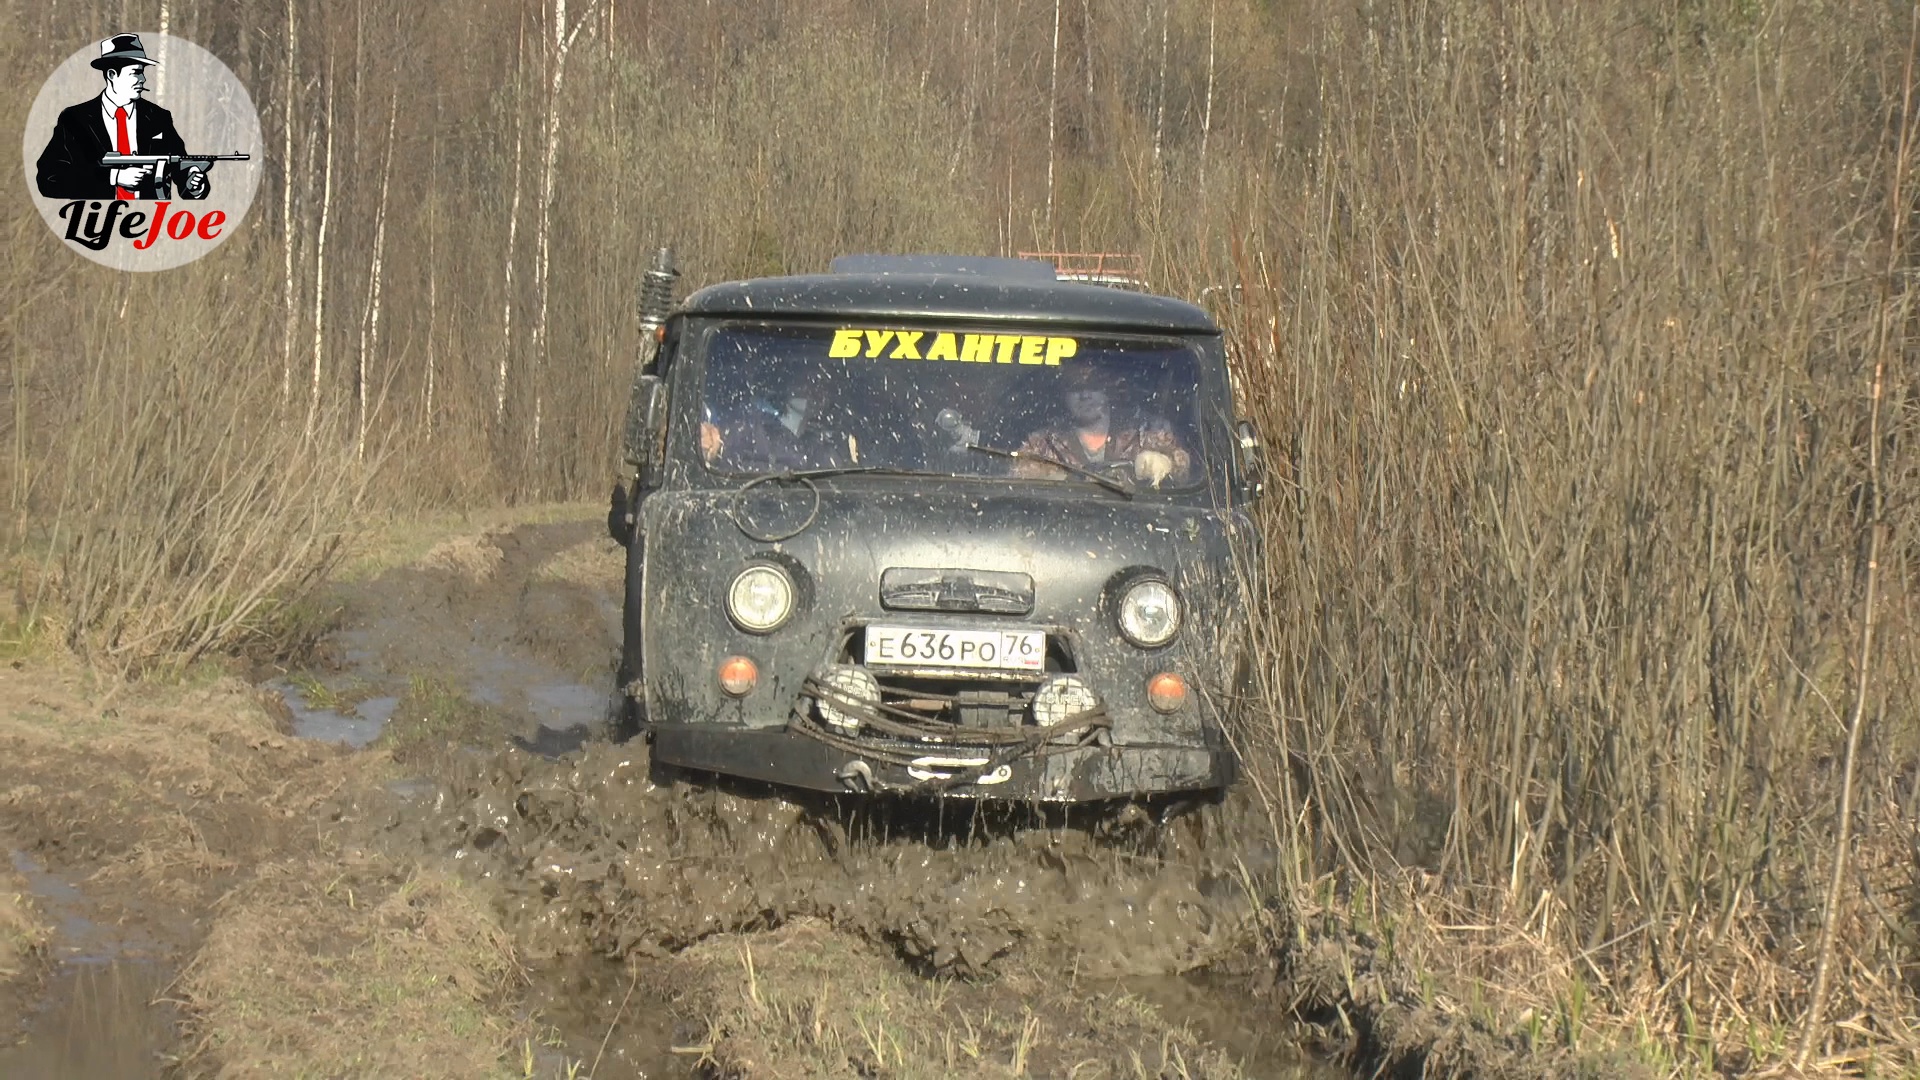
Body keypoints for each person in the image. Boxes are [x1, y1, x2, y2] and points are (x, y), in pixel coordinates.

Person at [35, 34, 211, 201]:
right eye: (135, 72)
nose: (142, 79)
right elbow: (50, 179)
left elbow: (179, 166)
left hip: (150, 224)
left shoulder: (158, 118)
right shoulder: (75, 120)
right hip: (93, 223)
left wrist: (194, 185)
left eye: (142, 72)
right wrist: (114, 177)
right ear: (112, 75)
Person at [1013, 365, 1194, 488]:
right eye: (1075, 388)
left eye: (1093, 386)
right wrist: (1054, 478)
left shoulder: (1145, 430)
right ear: (1063, 395)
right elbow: (1016, 477)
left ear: (1107, 391)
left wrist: (1166, 463)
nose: (1085, 395)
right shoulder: (1043, 442)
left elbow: (1187, 471)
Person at [701, 377, 851, 472]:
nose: (818, 392)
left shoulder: (834, 438)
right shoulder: (750, 424)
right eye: (811, 382)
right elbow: (720, 442)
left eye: (824, 388)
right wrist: (718, 446)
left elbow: (837, 480)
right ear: (790, 386)